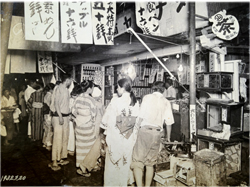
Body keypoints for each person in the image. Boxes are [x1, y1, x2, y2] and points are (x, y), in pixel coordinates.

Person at [131, 81, 174, 187]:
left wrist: (135, 130)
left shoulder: (147, 98)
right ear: (163, 90)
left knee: (138, 162)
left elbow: (140, 116)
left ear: (153, 89)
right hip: (157, 134)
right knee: (150, 163)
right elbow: (169, 122)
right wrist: (168, 138)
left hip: (145, 131)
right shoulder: (166, 102)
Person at [101, 77, 140, 187]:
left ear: (122, 88)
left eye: (117, 87)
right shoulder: (135, 103)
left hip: (115, 139)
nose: (117, 89)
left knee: (111, 170)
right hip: (128, 140)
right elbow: (136, 122)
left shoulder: (115, 101)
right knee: (123, 169)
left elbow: (105, 120)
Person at [77, 85, 105, 176]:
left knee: (93, 145)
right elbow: (104, 116)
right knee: (97, 146)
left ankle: (93, 164)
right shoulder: (99, 104)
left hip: (91, 125)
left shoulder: (90, 102)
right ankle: (93, 164)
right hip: (98, 125)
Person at [71, 80, 97, 177]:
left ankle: (80, 165)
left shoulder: (77, 98)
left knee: (80, 146)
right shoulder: (91, 100)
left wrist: (80, 116)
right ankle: (87, 166)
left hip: (79, 125)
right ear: (89, 89)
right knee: (89, 146)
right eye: (93, 88)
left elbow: (73, 111)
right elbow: (94, 114)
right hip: (87, 126)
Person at [49, 73, 72, 171]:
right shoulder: (58, 88)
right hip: (58, 117)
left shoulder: (66, 90)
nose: (71, 82)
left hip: (65, 116)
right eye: (70, 80)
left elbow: (65, 104)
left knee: (64, 138)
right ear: (67, 80)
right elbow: (56, 103)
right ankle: (54, 161)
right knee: (57, 139)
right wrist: (60, 116)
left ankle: (61, 158)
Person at [67, 84, 82, 156]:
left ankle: (71, 149)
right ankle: (70, 149)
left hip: (73, 119)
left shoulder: (72, 99)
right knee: (71, 134)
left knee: (72, 134)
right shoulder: (72, 100)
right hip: (71, 119)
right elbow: (70, 110)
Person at [42, 83, 55, 150]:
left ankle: (44, 142)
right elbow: (51, 106)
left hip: (45, 114)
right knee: (50, 129)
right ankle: (48, 144)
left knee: (46, 128)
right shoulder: (50, 96)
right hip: (49, 114)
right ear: (51, 89)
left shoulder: (46, 94)